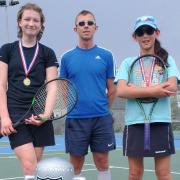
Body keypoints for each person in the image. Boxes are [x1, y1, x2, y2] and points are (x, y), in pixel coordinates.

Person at [115, 15, 180, 180]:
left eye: (149, 30)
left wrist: (135, 89)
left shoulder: (167, 61)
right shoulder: (127, 63)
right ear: (134, 36)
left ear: (156, 33)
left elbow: (171, 87)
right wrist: (156, 90)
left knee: (163, 174)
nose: (145, 35)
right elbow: (121, 91)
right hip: (135, 123)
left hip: (160, 121)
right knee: (134, 174)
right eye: (140, 32)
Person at [0, 3, 58, 180]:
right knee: (30, 166)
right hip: (15, 112)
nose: (31, 23)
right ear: (19, 22)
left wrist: (46, 115)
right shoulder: (7, 49)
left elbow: (53, 85)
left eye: (36, 20)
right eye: (27, 19)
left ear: (41, 25)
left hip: (39, 114)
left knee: (35, 168)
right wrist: (4, 117)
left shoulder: (48, 53)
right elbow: (1, 85)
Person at [59, 10, 116, 180]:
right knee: (75, 165)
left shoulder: (106, 55)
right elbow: (63, 90)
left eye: (90, 23)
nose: (86, 26)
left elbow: (112, 89)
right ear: (75, 29)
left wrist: (104, 109)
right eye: (81, 23)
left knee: (102, 162)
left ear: (95, 28)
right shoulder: (66, 58)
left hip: (101, 119)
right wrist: (70, 109)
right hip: (76, 119)